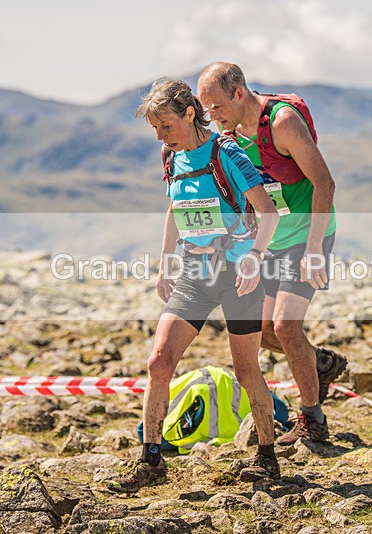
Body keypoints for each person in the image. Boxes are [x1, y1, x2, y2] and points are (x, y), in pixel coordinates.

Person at [107, 79, 280, 493]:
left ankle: (267, 456)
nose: (160, 137)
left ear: (189, 114)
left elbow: (268, 213)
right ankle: (150, 460)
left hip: (237, 275)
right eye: (154, 129)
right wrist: (165, 264)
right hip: (193, 274)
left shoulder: (227, 153)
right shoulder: (172, 156)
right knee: (158, 361)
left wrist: (253, 259)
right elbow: (175, 208)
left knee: (245, 369)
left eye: (165, 125)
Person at [197, 62, 347, 445]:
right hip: (268, 241)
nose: (211, 116)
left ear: (239, 93)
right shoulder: (228, 132)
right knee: (258, 328)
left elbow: (325, 183)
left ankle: (313, 420)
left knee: (285, 325)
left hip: (307, 235)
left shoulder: (281, 123)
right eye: (205, 109)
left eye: (215, 106)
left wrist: (314, 248)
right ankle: (319, 363)